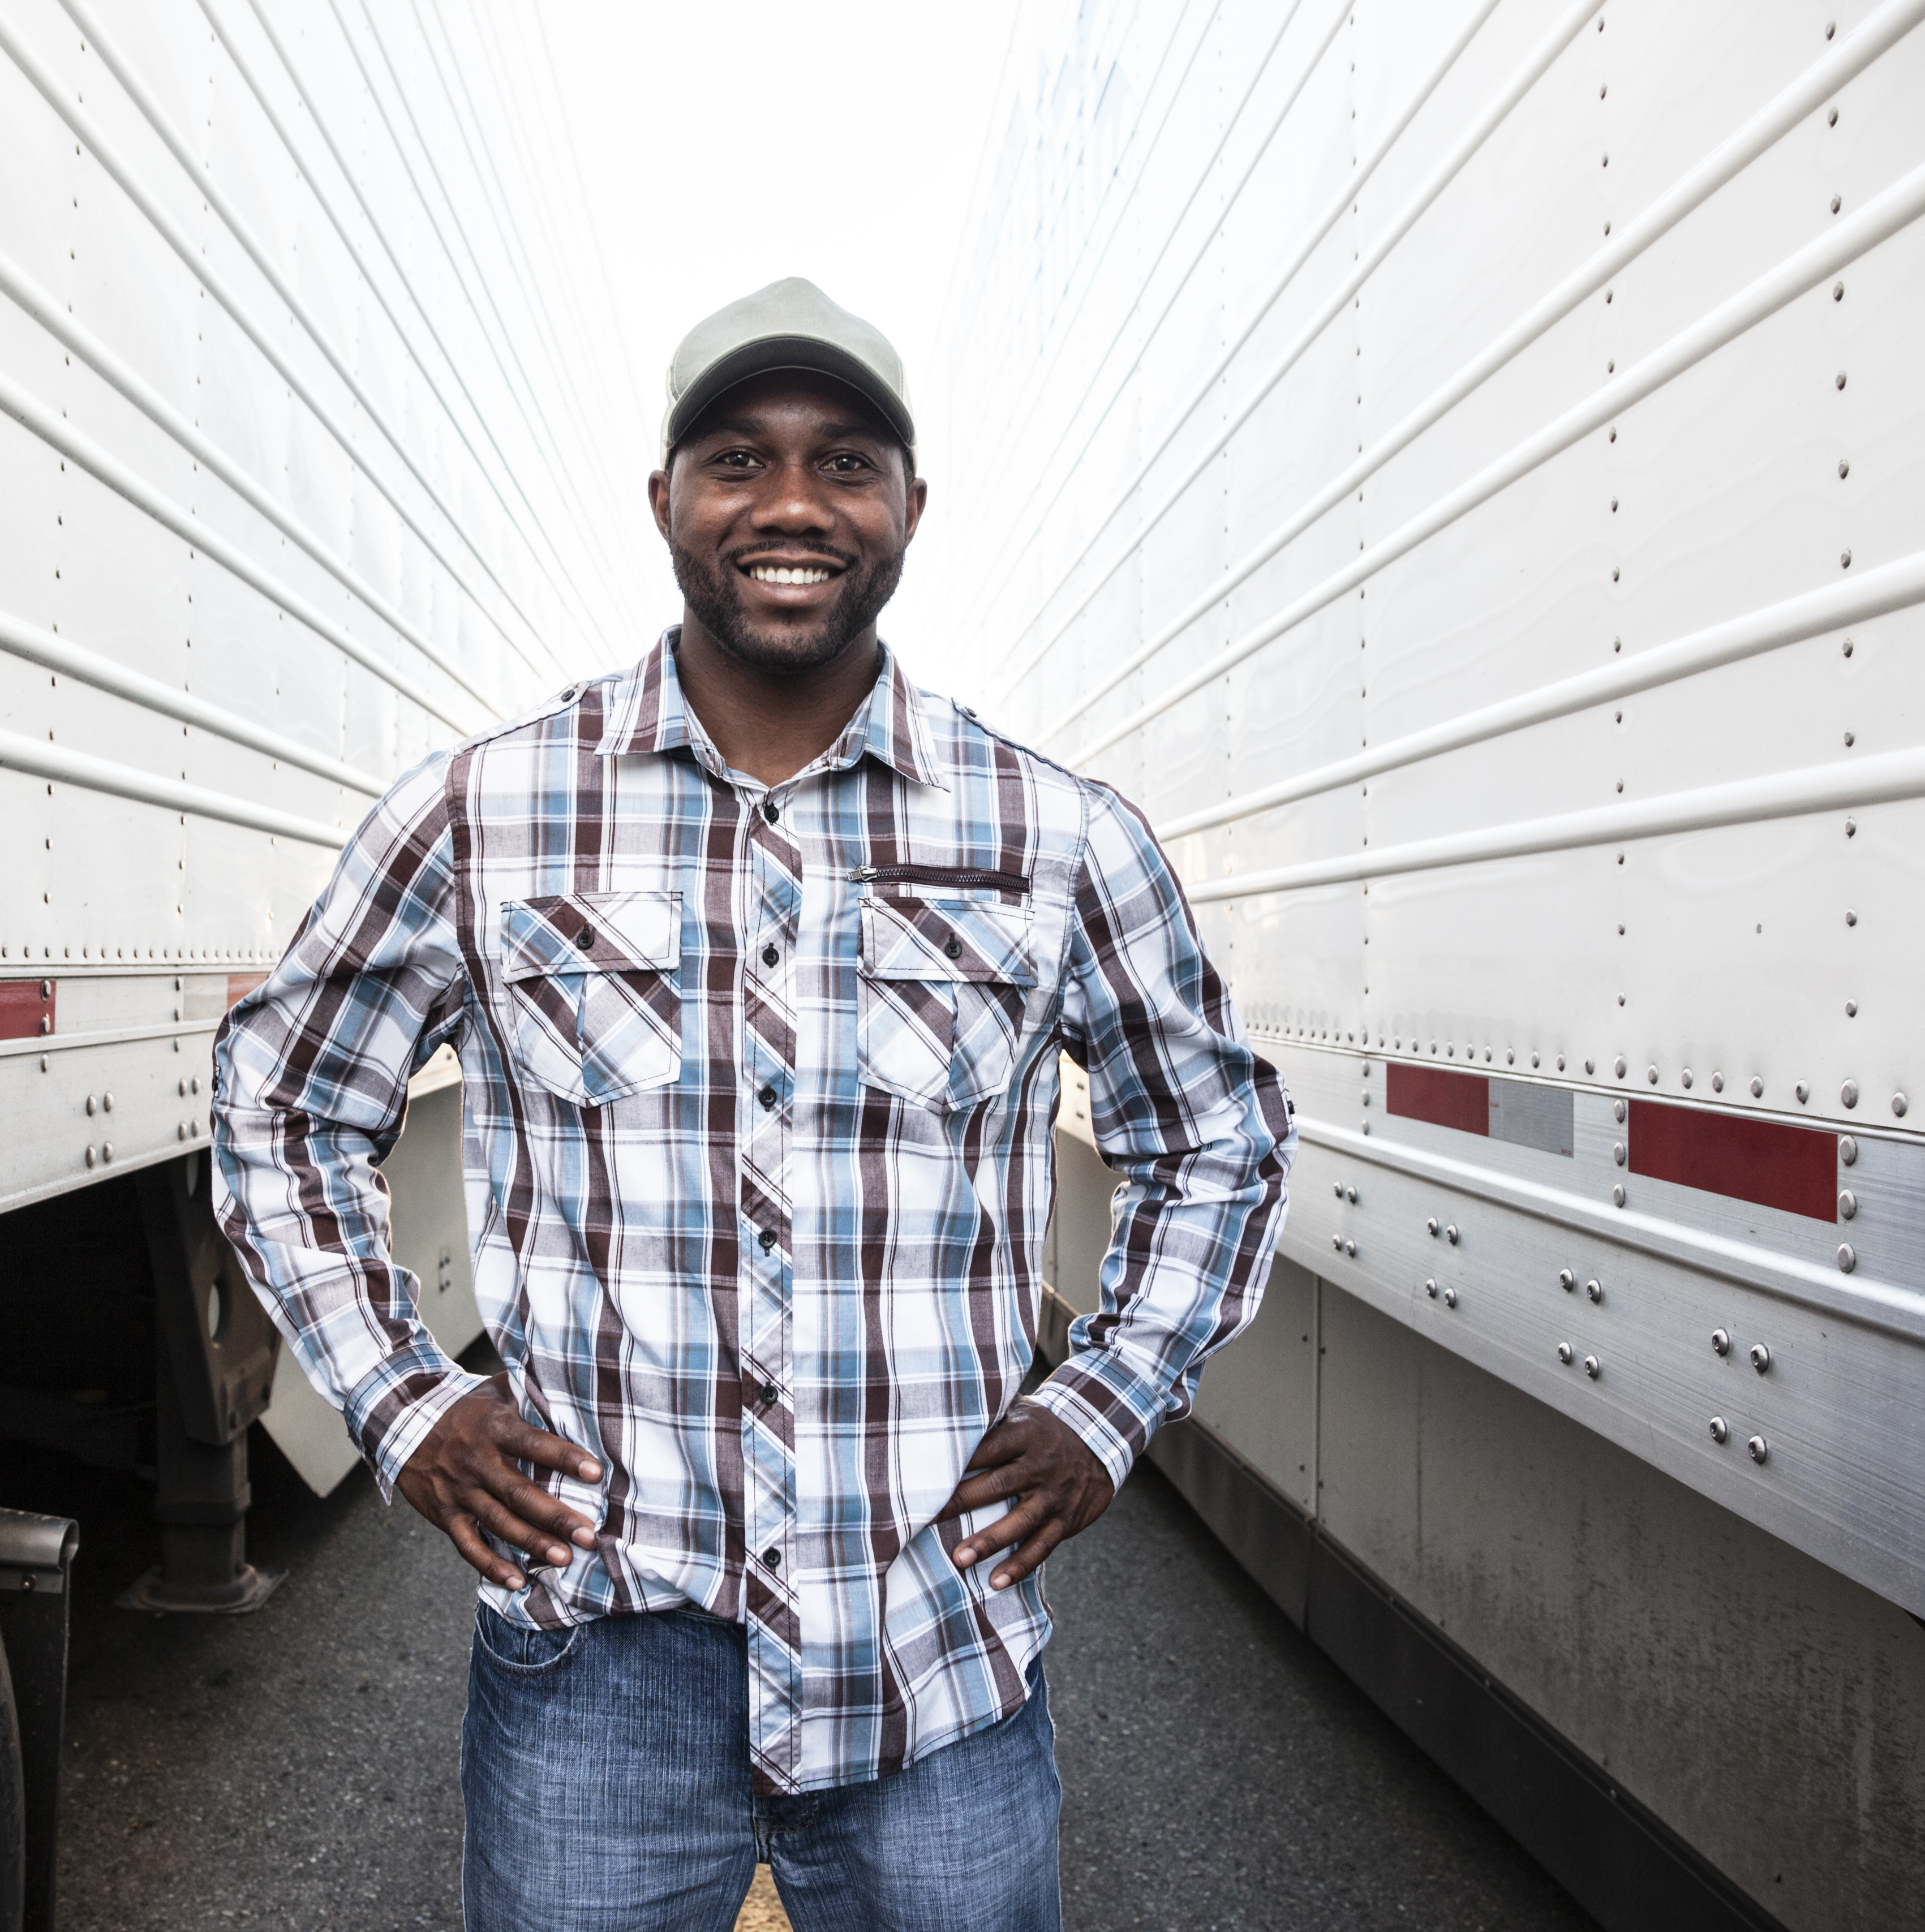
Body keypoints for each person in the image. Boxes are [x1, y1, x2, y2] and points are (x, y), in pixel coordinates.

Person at [215, 278, 1292, 1932]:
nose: (792, 503)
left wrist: (1106, 1402)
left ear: (908, 508)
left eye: (843, 461)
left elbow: (1213, 1133)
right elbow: (281, 1102)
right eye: (738, 458)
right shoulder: (488, 816)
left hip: (936, 1671)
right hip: (596, 1674)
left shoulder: (1055, 838)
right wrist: (402, 1401)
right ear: (666, 501)